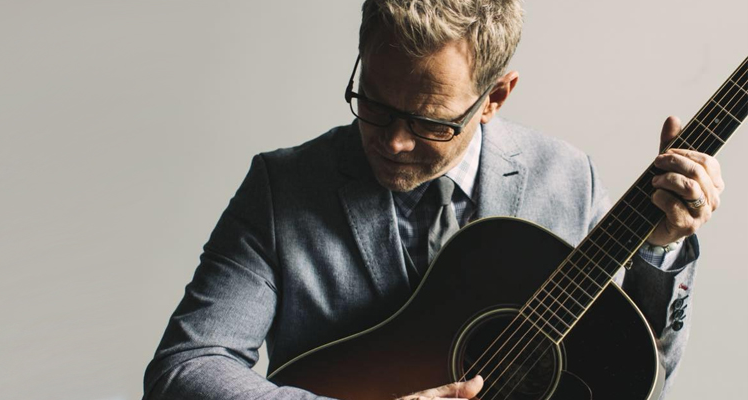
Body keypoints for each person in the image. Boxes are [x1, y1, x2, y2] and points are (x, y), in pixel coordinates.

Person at [143, 1, 724, 399]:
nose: (394, 142)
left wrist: (660, 250)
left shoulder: (568, 178)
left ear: (496, 97)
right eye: (374, 103)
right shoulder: (283, 188)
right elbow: (184, 370)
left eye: (428, 121)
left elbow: (645, 379)